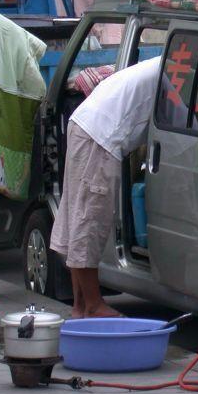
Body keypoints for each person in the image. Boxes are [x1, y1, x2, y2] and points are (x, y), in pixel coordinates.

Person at [51, 56, 161, 318]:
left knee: (80, 217)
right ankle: (94, 304)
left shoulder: (165, 62)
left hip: (85, 125)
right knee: (89, 221)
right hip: (100, 136)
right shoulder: (180, 70)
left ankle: (80, 306)